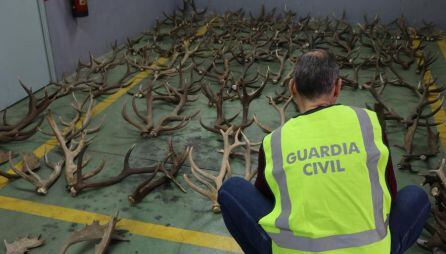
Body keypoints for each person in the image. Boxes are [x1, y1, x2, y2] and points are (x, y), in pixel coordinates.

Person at [218, 49, 431, 254]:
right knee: (416, 196)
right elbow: (390, 195)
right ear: (338, 88)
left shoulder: (275, 141)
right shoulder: (368, 123)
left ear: (292, 88)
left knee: (231, 189)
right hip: (371, 250)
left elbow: (271, 203)